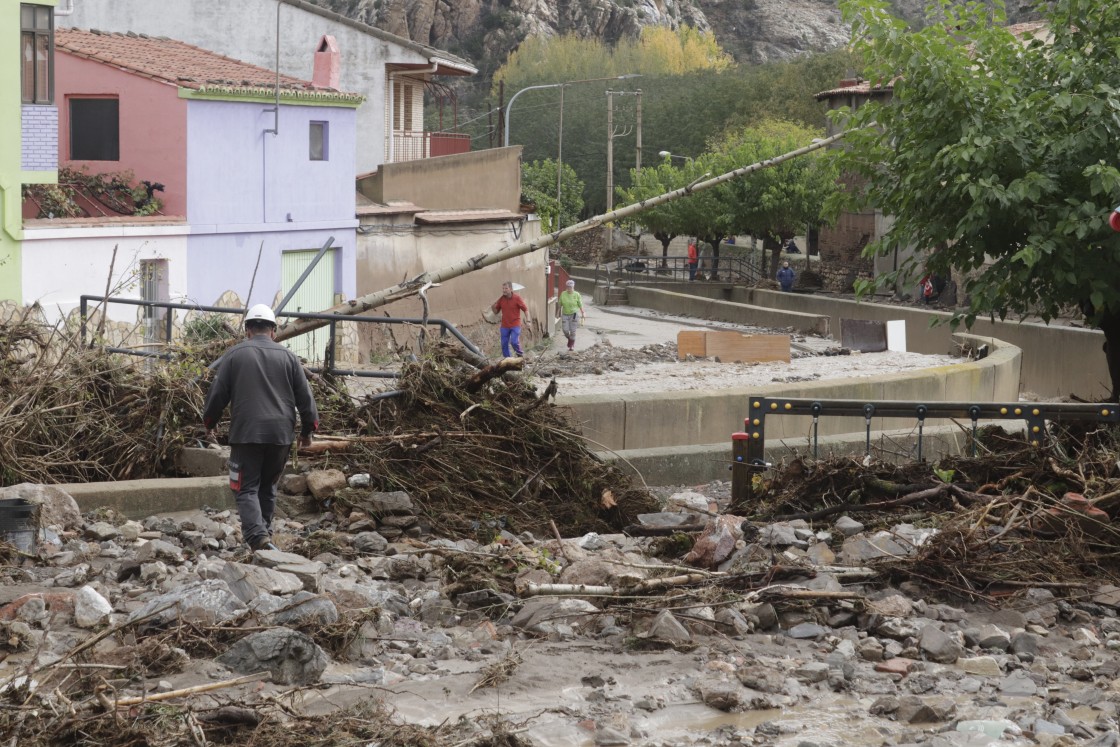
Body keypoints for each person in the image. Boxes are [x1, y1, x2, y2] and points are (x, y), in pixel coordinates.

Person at [203, 304, 318, 552]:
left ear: (247, 330)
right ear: (273, 331)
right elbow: (306, 399)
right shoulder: (289, 357)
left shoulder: (234, 355)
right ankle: (265, 535)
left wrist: (209, 423)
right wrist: (308, 431)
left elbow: (217, 395)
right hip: (280, 436)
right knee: (268, 486)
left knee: (245, 487)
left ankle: (257, 537)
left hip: (247, 434)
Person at [492, 281, 529, 357]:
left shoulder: (517, 298)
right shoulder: (501, 299)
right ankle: (508, 360)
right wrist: (492, 306)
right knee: (504, 344)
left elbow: (525, 310)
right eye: (503, 288)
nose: (504, 290)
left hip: (515, 325)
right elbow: (496, 312)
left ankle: (520, 356)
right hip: (504, 326)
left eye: (506, 288)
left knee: (514, 342)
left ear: (511, 289)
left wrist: (528, 321)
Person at [556, 279, 586, 351]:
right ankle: (570, 339)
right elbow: (560, 304)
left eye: (571, 287)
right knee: (565, 330)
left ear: (573, 287)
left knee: (573, 331)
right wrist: (557, 312)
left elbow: (580, 304)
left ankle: (571, 345)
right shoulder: (563, 294)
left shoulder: (577, 294)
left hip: (574, 314)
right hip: (565, 314)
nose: (569, 288)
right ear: (566, 287)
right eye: (568, 287)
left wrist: (583, 312)